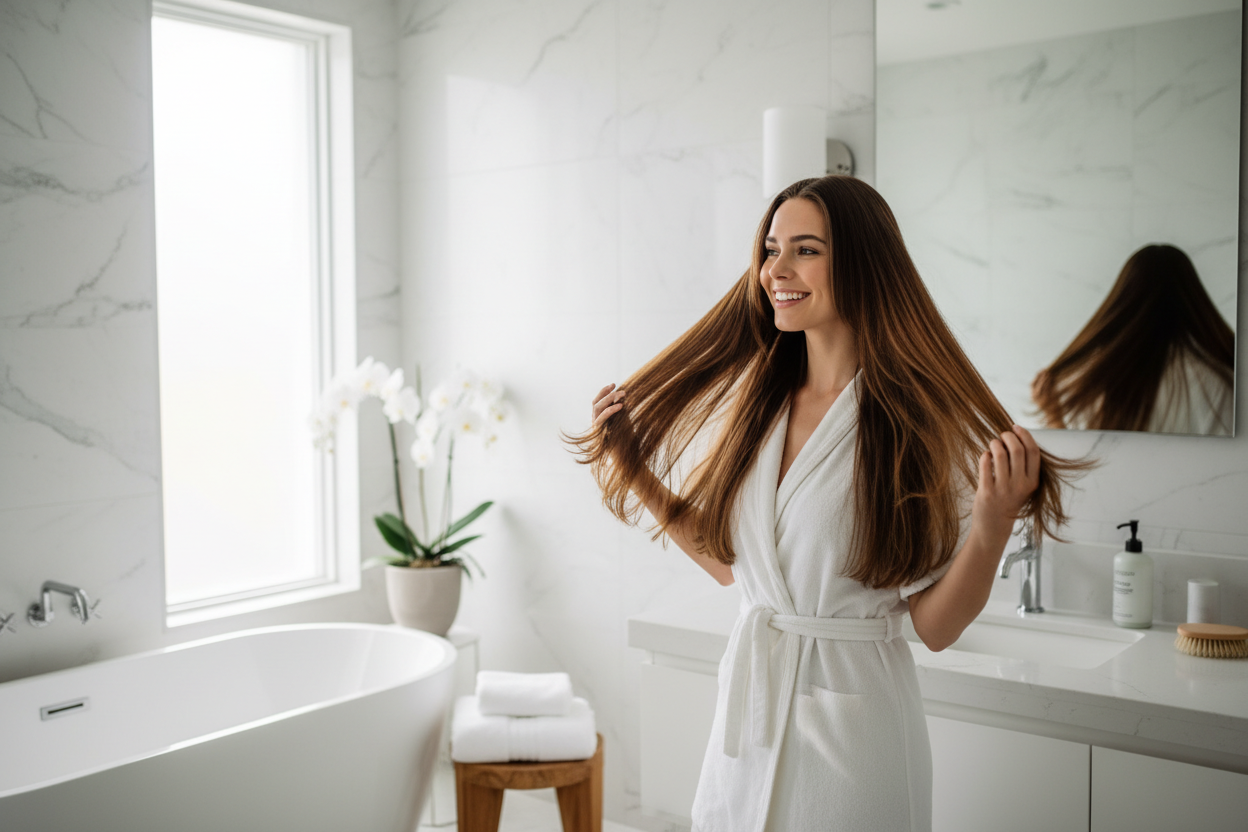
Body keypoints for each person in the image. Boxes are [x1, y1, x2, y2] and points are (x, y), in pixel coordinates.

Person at [569, 176, 1088, 832]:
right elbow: (730, 563)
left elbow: (934, 627)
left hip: (853, 741)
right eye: (770, 248)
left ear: (863, 264)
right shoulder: (762, 403)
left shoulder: (914, 422)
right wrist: (633, 467)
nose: (775, 270)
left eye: (805, 250)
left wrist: (991, 526)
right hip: (748, 725)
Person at [1031, 244, 1235, 435]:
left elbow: (1087, 466)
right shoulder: (1225, 378)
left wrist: (1053, 416)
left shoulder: (1104, 380)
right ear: (1195, 297)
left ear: (1124, 299)